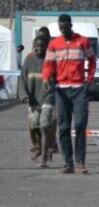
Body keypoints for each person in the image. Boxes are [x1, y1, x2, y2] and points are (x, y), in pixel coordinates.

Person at [42, 13, 96, 174]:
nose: (64, 30)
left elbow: (92, 61)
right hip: (61, 90)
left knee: (80, 125)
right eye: (61, 28)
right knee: (64, 127)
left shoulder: (83, 41)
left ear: (71, 26)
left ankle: (80, 162)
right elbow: (48, 65)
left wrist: (89, 80)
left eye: (66, 27)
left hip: (79, 89)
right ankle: (68, 163)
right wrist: (46, 78)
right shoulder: (54, 44)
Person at [19, 37, 56, 168]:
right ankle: (39, 147)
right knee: (34, 124)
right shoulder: (28, 59)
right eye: (37, 47)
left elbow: (58, 78)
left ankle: (45, 155)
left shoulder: (51, 59)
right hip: (33, 99)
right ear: (33, 46)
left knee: (44, 126)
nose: (39, 49)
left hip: (47, 97)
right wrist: (24, 95)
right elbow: (22, 80)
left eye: (42, 47)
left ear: (46, 47)